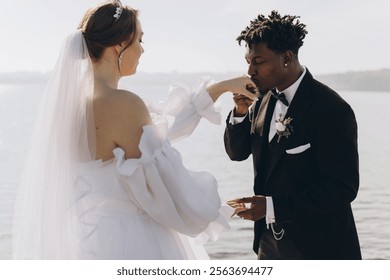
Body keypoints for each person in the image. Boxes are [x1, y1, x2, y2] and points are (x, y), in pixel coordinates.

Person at [12, 0, 258, 259]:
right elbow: (167, 189)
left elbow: (160, 129)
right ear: (120, 44)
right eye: (140, 40)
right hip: (132, 243)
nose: (142, 50)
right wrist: (218, 209)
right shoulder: (123, 104)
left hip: (89, 239)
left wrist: (219, 88)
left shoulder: (69, 108)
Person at [225, 11, 361, 259]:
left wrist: (272, 207)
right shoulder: (261, 98)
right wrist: (240, 112)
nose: (250, 70)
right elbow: (237, 153)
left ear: (286, 58)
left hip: (320, 250)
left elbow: (342, 188)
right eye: (248, 61)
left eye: (258, 61)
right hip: (268, 247)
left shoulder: (332, 109)